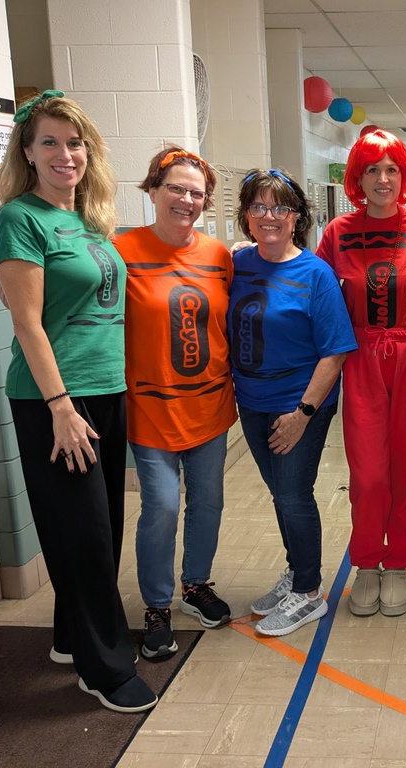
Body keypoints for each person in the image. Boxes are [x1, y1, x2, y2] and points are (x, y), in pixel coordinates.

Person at [0, 91, 157, 713]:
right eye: (51, 143)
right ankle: (104, 668)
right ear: (28, 153)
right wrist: (60, 405)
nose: (66, 154)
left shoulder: (89, 221)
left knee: (98, 528)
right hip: (56, 400)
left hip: (103, 391)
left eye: (75, 142)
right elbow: (27, 322)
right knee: (83, 534)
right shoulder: (20, 219)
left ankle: (70, 635)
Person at [116, 146, 236, 659]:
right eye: (176, 189)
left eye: (195, 193)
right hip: (150, 408)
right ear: (152, 191)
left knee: (207, 501)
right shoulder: (121, 251)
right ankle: (157, 604)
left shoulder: (219, 256)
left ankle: (195, 585)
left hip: (209, 405)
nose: (186, 199)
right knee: (162, 506)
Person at [316, 130, 406, 617]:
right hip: (363, 357)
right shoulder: (339, 232)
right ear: (358, 178)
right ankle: (367, 560)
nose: (383, 179)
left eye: (391, 169)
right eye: (372, 169)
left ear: (404, 176)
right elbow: (317, 288)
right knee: (368, 472)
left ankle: (399, 563)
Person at [228, 168, 357, 637]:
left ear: (297, 216)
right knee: (279, 494)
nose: (270, 216)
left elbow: (336, 350)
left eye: (280, 207)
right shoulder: (239, 266)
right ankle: (295, 571)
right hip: (252, 401)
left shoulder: (315, 273)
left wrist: (302, 414)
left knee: (293, 494)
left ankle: (307, 592)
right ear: (245, 215)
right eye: (259, 206)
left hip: (299, 404)